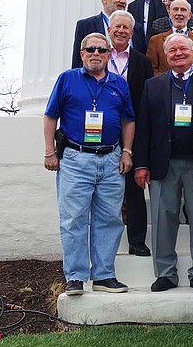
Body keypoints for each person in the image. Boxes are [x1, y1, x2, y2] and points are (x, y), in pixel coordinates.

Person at [43, 32, 135, 295]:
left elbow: (129, 120)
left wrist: (127, 151)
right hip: (75, 159)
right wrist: (50, 152)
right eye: (90, 49)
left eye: (101, 50)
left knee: (110, 219)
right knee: (73, 220)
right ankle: (75, 277)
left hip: (111, 159)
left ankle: (104, 275)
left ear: (109, 55)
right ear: (82, 53)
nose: (96, 53)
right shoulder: (67, 79)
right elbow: (50, 116)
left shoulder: (119, 84)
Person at [134, 33, 193, 292]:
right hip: (164, 163)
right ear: (165, 55)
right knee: (163, 218)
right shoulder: (153, 85)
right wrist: (141, 164)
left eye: (183, 49)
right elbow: (144, 127)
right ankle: (165, 272)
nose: (178, 54)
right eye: (172, 50)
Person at [106, 11, 153, 257]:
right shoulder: (99, 56)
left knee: (134, 188)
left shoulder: (142, 62)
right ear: (109, 30)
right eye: (117, 27)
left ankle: (137, 241)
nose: (121, 31)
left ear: (132, 33)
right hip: (103, 129)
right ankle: (107, 241)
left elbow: (146, 100)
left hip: (132, 128)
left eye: (126, 27)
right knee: (106, 190)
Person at [71, 0, 147, 67]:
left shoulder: (136, 27)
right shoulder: (85, 26)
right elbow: (77, 61)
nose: (123, 1)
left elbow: (142, 59)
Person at [146, 0, 193, 75]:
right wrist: (166, 81)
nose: (179, 13)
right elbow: (151, 69)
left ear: (189, 15)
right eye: (175, 9)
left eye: (183, 10)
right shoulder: (155, 41)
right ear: (169, 14)